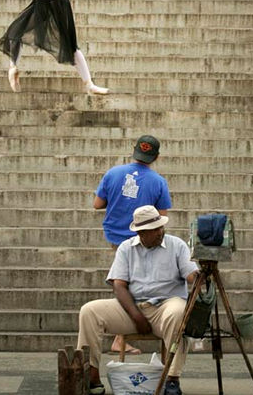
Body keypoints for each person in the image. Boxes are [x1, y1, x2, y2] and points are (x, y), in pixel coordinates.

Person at [77, 205, 199, 395]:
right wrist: (136, 316)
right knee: (89, 311)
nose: (160, 232)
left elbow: (191, 275)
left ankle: (173, 379)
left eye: (161, 227)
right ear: (141, 232)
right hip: (131, 308)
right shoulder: (126, 248)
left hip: (164, 308)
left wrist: (201, 273)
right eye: (154, 229)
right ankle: (91, 375)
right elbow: (119, 285)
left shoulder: (177, 245)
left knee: (179, 310)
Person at [94, 134, 172, 354]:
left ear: (134, 150)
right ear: (156, 157)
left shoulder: (113, 173)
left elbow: (97, 203)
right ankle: (121, 338)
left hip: (115, 237)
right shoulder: (158, 181)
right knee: (130, 285)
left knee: (125, 283)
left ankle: (121, 337)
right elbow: (162, 216)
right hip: (141, 239)